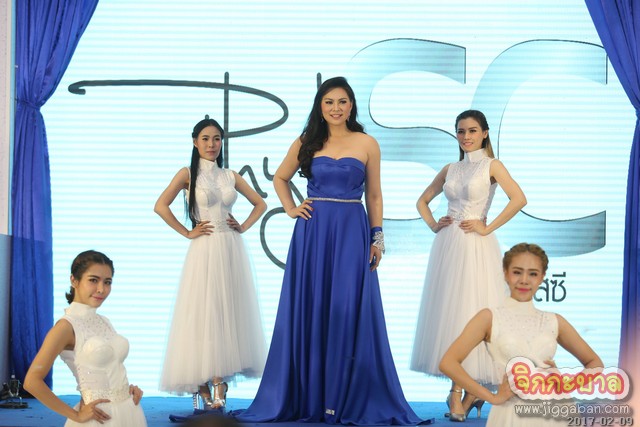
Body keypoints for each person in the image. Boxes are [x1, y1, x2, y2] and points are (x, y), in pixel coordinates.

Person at [235, 76, 426, 425]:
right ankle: (310, 397)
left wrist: (377, 238)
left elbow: (375, 195)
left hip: (352, 231)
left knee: (345, 308)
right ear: (320, 107)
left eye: (342, 101)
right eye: (329, 102)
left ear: (351, 105)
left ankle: (342, 397)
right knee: (312, 306)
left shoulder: (367, 143)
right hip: (313, 232)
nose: (336, 108)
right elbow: (280, 178)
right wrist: (291, 208)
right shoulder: (307, 140)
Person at [410, 109, 527, 417]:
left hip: (476, 246)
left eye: (472, 130)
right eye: (461, 131)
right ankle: (463, 392)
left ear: (485, 133)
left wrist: (487, 227)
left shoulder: (492, 165)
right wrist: (434, 224)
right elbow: (422, 201)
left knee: (471, 315)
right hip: (448, 245)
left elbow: (519, 199)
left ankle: (461, 393)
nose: (466, 136)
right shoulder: (451, 168)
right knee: (450, 316)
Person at [155, 116, 267, 410]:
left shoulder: (230, 175)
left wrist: (242, 226)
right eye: (205, 138)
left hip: (230, 249)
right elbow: (160, 206)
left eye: (217, 138)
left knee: (226, 314)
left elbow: (260, 204)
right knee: (203, 314)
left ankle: (219, 381)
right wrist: (187, 232)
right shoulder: (187, 174)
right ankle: (203, 383)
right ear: (195, 142)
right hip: (203, 250)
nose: (211, 144)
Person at [439, 243, 603, 425]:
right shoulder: (489, 317)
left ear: (542, 277)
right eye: (517, 272)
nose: (524, 280)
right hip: (511, 414)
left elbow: (595, 364)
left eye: (533, 274)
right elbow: (448, 363)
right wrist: (493, 397)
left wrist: (566, 384)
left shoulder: (553, 320)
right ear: (505, 273)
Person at [24, 250, 147, 426]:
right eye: (93, 280)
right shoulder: (65, 327)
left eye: (107, 282)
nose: (101, 289)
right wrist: (76, 415)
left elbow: (111, 367)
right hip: (99, 418)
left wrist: (127, 390)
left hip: (129, 411)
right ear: (74, 280)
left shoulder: (104, 321)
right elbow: (31, 382)